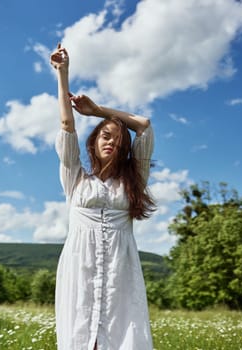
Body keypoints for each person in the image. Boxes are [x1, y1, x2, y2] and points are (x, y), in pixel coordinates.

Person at [51, 43, 156, 350]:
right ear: (94, 142)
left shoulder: (133, 178)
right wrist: (62, 74)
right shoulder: (75, 177)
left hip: (120, 270)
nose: (111, 141)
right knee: (81, 336)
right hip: (79, 266)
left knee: (123, 336)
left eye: (117, 139)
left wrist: (98, 111)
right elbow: (66, 124)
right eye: (105, 135)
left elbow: (144, 126)